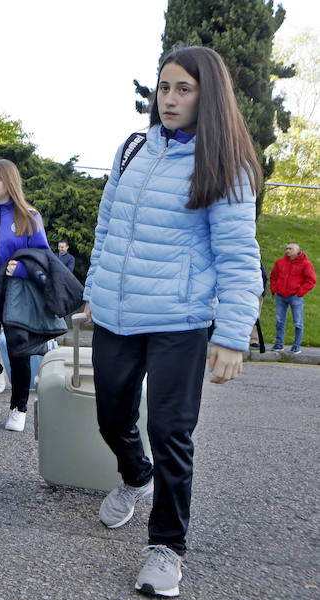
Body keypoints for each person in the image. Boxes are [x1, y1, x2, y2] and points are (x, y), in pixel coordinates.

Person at [83, 46, 263, 597]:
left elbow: (239, 256)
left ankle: (166, 547)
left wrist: (232, 335)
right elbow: (107, 227)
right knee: (111, 418)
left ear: (208, 95)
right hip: (116, 313)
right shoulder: (133, 148)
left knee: (171, 432)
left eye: (183, 88)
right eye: (164, 88)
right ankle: (135, 475)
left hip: (179, 321)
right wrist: (93, 291)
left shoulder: (223, 166)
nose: (169, 99)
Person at [0, 159, 49, 432]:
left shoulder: (29, 217)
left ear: (10, 182)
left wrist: (24, 268)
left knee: (19, 352)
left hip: (16, 296)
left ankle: (19, 407)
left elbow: (44, 259)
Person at [270, 242, 315, 354]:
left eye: (290, 248)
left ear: (297, 250)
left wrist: (300, 292)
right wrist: (274, 289)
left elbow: (311, 280)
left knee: (298, 322)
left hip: (295, 297)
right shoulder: (280, 262)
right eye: (286, 248)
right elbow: (273, 277)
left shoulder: (306, 264)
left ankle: (296, 346)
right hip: (280, 296)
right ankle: (279, 344)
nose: (287, 250)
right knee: (280, 321)